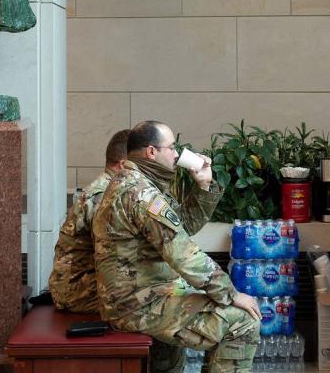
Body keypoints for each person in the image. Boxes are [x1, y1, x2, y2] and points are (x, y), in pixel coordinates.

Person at [93, 120, 261, 373]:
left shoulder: (138, 183)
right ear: (151, 152)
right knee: (242, 321)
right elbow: (182, 253)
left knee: (172, 352)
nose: (176, 153)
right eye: (171, 147)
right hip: (137, 304)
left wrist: (203, 185)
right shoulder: (140, 193)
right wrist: (230, 294)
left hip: (145, 294)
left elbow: (181, 226)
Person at [48, 128, 130, 313]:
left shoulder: (111, 190)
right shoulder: (104, 196)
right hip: (78, 292)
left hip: (85, 284)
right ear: (123, 165)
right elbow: (115, 257)